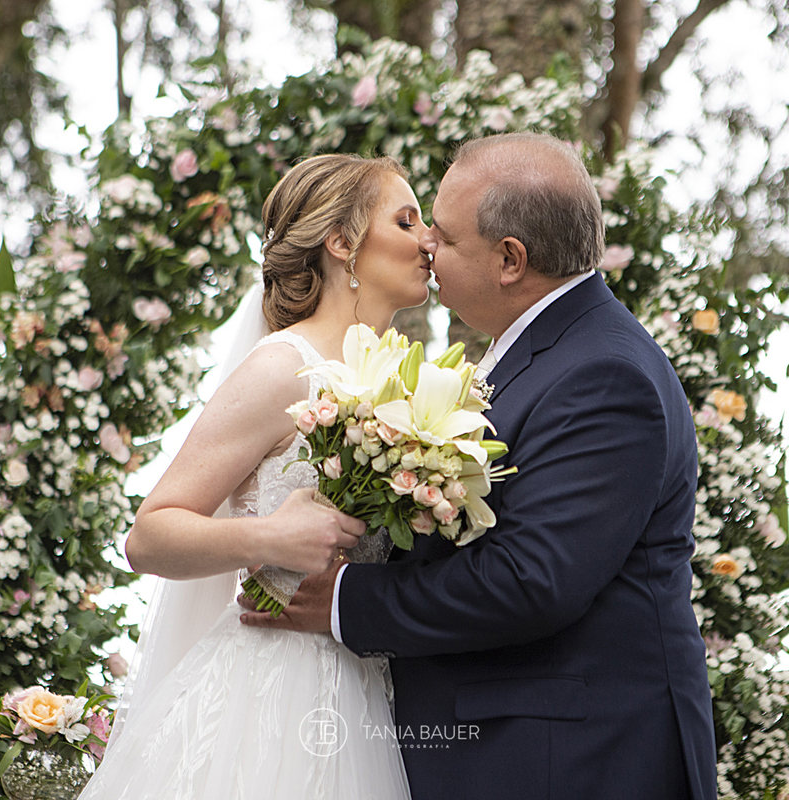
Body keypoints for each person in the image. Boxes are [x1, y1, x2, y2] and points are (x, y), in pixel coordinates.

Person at [240, 132, 718, 800]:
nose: (427, 245)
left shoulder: (603, 374)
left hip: (568, 761)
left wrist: (347, 600)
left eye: (445, 234)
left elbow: (533, 579)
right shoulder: (543, 353)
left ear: (510, 260)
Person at [78, 153, 432, 799]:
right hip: (266, 699)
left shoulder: (409, 387)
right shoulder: (283, 366)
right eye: (406, 220)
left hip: (367, 695)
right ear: (342, 241)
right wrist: (271, 538)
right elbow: (149, 536)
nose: (428, 240)